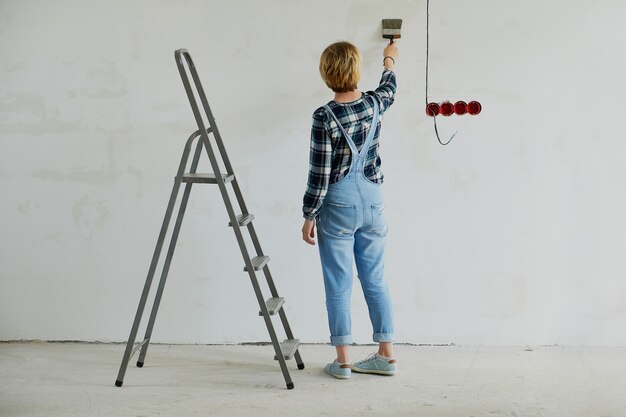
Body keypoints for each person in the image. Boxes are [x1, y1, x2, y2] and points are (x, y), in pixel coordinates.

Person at [301, 40, 398, 379]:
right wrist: (389, 58)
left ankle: (342, 360)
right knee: (375, 279)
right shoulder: (374, 104)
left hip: (338, 207)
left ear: (326, 74)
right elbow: (390, 88)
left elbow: (320, 174)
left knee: (338, 283)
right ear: (357, 71)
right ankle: (386, 355)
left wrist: (309, 214)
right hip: (373, 201)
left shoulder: (324, 116)